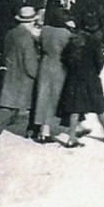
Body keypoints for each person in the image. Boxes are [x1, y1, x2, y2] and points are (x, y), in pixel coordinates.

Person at [57, 13, 104, 148]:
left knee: (75, 107)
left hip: (74, 77)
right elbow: (100, 62)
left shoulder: (73, 41)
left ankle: (71, 138)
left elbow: (64, 59)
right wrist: (95, 72)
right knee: (98, 105)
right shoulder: (94, 42)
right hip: (90, 77)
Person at [0, 6, 40, 142]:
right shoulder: (27, 38)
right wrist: (36, 74)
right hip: (24, 78)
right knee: (34, 103)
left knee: (7, 106)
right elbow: (29, 63)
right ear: (31, 22)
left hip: (11, 73)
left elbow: (5, 52)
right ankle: (32, 131)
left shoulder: (11, 33)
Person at [32, 8, 74, 144]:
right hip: (59, 67)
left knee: (43, 97)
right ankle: (50, 130)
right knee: (54, 99)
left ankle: (42, 130)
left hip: (45, 65)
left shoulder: (45, 30)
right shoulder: (66, 34)